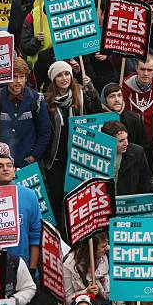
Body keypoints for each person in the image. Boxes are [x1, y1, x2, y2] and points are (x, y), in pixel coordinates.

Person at [42, 61, 101, 225]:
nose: (64, 78)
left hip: (79, 157)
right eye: (60, 75)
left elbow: (97, 112)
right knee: (57, 198)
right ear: (54, 79)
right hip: (57, 159)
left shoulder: (82, 95)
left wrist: (91, 89)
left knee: (77, 199)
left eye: (67, 74)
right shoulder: (46, 103)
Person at [0, 58, 51, 168]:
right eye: (14, 76)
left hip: (28, 162)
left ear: (26, 78)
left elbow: (45, 132)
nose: (18, 81)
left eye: (22, 77)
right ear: (7, 78)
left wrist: (33, 157)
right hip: (2, 164)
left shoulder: (36, 99)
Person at [122, 55, 153, 164]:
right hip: (130, 141)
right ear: (136, 68)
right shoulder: (124, 87)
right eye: (142, 69)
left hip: (150, 142)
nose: (146, 73)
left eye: (149, 70)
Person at [101, 121, 151, 195]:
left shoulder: (137, 153)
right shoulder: (98, 154)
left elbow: (145, 182)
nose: (126, 143)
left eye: (126, 138)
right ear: (109, 141)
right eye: (121, 141)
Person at [63, 232, 110, 305]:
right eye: (103, 246)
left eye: (107, 244)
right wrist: (86, 292)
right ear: (90, 249)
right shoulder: (68, 265)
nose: (108, 248)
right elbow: (67, 300)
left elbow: (109, 293)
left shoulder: (104, 257)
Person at [100, 82, 147, 148]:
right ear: (105, 100)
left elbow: (143, 146)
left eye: (119, 95)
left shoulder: (135, 118)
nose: (117, 100)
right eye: (112, 96)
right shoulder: (99, 120)